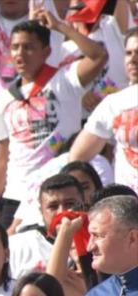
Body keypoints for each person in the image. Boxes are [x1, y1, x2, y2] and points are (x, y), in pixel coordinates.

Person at [0, 16, 107, 225]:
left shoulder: (65, 80)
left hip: (59, 195)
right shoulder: (4, 98)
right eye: (15, 47)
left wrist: (61, 27)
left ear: (47, 51)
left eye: (29, 47)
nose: (20, 53)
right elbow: (2, 157)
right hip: (16, 195)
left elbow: (99, 56)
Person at [69, 28, 138, 194]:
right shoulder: (115, 103)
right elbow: (77, 157)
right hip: (129, 208)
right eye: (128, 53)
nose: (133, 59)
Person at [9, 174, 85, 278]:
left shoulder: (97, 242)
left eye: (69, 203)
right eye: (53, 206)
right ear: (41, 211)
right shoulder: (18, 245)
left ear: (83, 205)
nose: (62, 212)